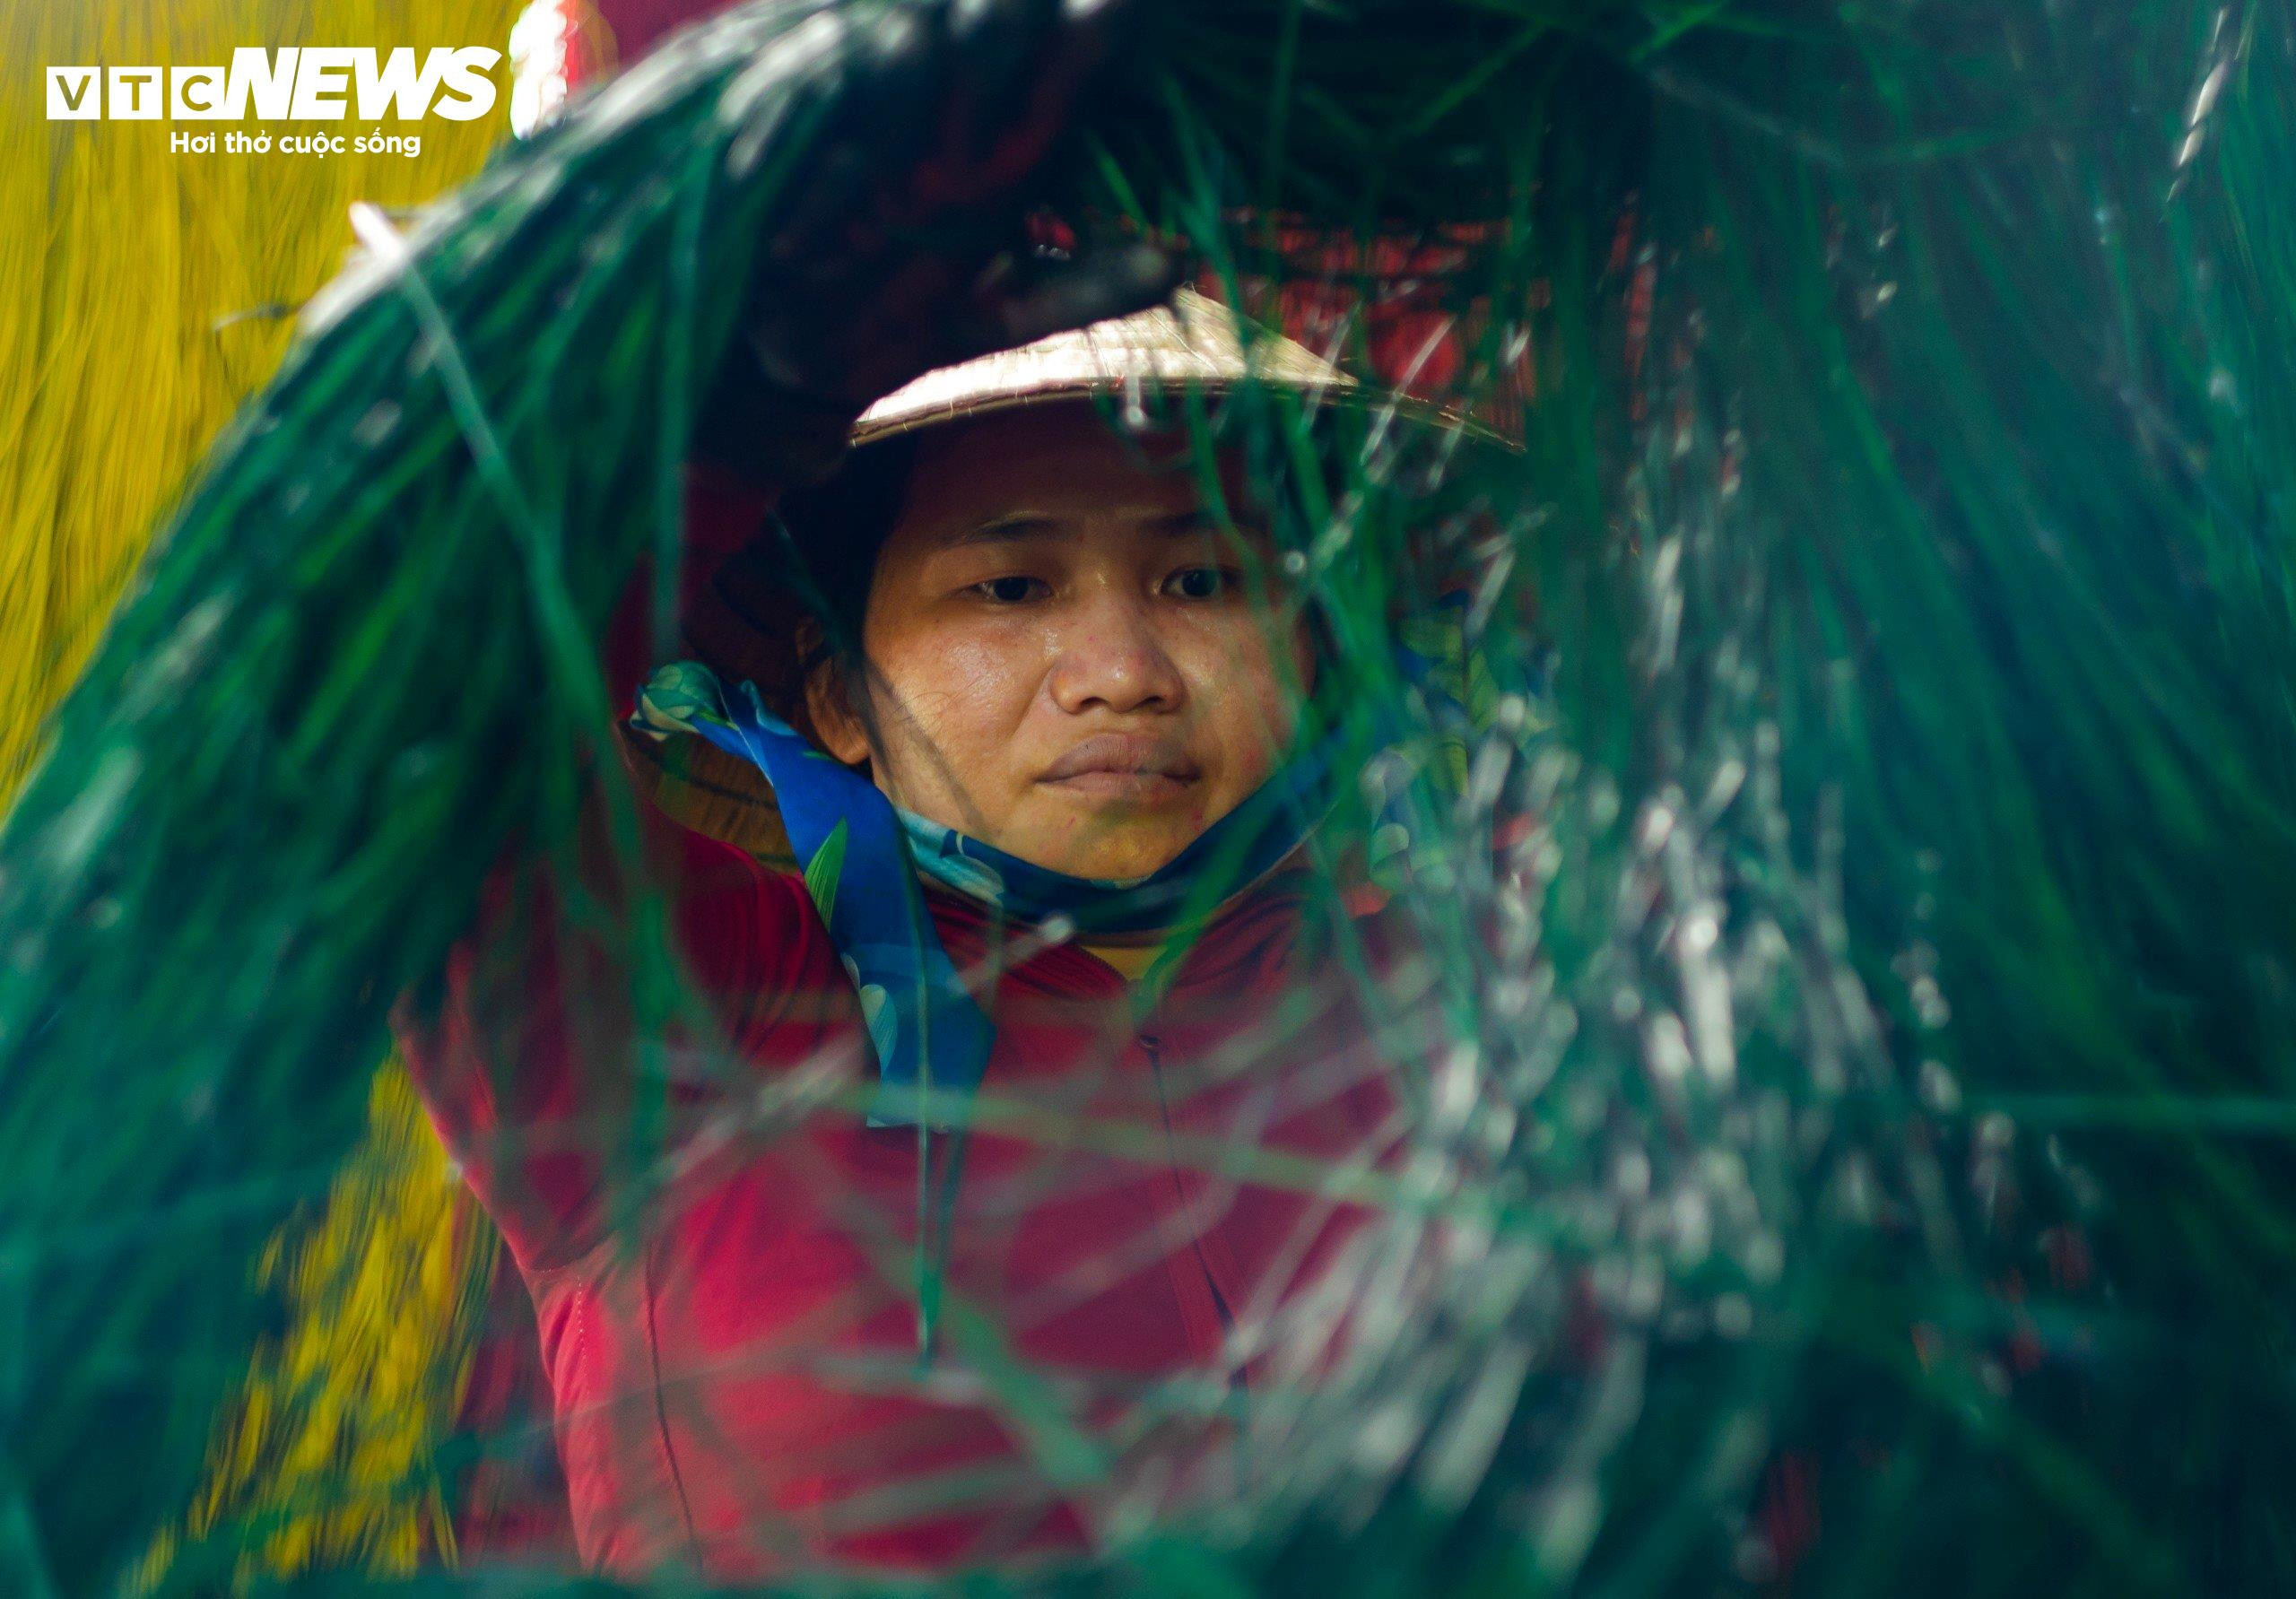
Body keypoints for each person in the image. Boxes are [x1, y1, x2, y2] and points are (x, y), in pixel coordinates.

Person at [394, 0, 1463, 1579]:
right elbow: (440, 736)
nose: (1117, 671)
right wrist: (716, 422)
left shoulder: (1501, 1017)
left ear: (1320, 648)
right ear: (834, 693)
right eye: (1008, 591)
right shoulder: (681, 1027)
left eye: (1199, 579)